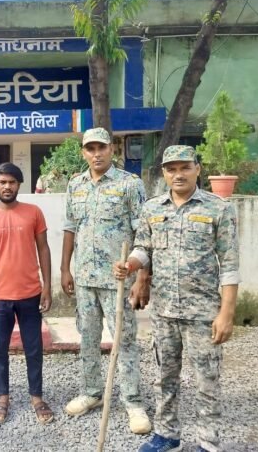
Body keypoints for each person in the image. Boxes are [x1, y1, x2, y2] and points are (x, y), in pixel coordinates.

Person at [114, 145, 239, 452]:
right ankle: (167, 434)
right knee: (164, 377)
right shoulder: (152, 209)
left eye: (185, 167)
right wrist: (130, 264)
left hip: (203, 313)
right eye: (171, 169)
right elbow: (144, 248)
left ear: (198, 169)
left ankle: (208, 442)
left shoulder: (219, 209)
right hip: (164, 311)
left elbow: (230, 264)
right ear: (164, 173)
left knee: (206, 380)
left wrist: (226, 313)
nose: (178, 174)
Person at [61, 127, 151, 434]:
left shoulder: (129, 184)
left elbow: (144, 233)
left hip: (118, 281)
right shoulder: (76, 184)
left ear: (112, 149)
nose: (96, 154)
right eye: (90, 148)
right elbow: (70, 227)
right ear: (84, 152)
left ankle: (133, 403)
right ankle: (92, 392)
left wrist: (142, 276)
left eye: (101, 147)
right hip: (85, 278)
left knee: (124, 341)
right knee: (87, 338)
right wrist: (65, 269)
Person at [0, 163, 54, 425]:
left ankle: (37, 398)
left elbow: (43, 249)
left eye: (12, 182)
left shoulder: (34, 212)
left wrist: (47, 286)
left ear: (19, 185)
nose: (7, 187)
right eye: (2, 182)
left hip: (30, 293)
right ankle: (2, 397)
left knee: (34, 348)